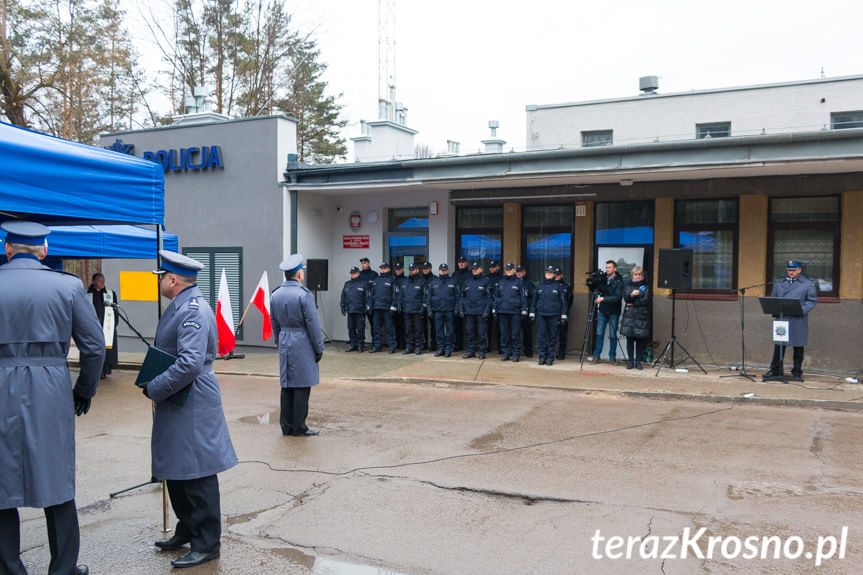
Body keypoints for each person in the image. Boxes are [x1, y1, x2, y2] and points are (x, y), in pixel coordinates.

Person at [0, 221, 104, 575]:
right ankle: (62, 569)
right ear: (44, 251)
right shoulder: (68, 286)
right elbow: (93, 348)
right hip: (50, 386)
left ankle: (10, 569)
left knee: (1, 481)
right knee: (56, 480)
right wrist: (84, 390)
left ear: (7, 249)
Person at [143, 250, 237, 569]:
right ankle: (188, 528)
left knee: (198, 472)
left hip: (192, 397)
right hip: (179, 397)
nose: (160, 283)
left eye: (161, 278)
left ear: (172, 280)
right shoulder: (182, 304)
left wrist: (155, 387)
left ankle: (207, 543)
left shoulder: (192, 309)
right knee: (178, 466)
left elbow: (189, 363)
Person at [270, 254, 325, 434]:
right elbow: (313, 325)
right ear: (299, 274)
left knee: (287, 386)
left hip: (285, 339)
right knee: (302, 385)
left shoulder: (276, 294)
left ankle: (286, 426)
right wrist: (319, 347)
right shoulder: (304, 295)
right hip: (302, 340)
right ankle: (299, 426)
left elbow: (274, 322)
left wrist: (279, 341)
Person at [763, 260, 818, 382]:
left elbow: (812, 301)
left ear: (799, 270)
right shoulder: (780, 282)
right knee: (779, 345)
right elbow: (774, 298)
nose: (791, 272)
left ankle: (797, 371)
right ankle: (775, 369)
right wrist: (775, 308)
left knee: (798, 345)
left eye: (793, 270)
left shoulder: (807, 284)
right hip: (783, 318)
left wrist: (800, 309)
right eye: (789, 270)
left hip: (797, 318)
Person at [531, 265, 567, 366]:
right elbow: (534, 301)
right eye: (547, 272)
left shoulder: (558, 286)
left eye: (550, 272)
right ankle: (542, 357)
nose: (548, 274)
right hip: (541, 315)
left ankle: (550, 358)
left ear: (554, 274)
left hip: (554, 315)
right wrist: (532, 313)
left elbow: (563, 302)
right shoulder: (539, 286)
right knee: (541, 337)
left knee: (552, 337)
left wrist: (563, 315)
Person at [590, 260, 623, 363]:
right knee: (599, 333)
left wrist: (603, 299)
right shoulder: (603, 278)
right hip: (603, 310)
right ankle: (596, 355)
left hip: (613, 311)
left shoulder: (619, 281)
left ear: (615, 269)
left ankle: (612, 357)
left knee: (613, 334)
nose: (607, 269)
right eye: (606, 267)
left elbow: (617, 297)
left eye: (609, 267)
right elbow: (596, 289)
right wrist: (592, 283)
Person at [493, 263, 528, 362]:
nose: (508, 271)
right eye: (507, 269)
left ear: (514, 270)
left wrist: (524, 310)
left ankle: (516, 354)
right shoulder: (501, 281)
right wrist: (495, 309)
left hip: (515, 312)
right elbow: (496, 297)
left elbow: (523, 297)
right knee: (504, 334)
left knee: (515, 334)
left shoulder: (519, 282)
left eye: (510, 269)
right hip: (503, 311)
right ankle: (506, 353)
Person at [458, 261, 492, 359]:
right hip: (469, 312)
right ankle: (471, 351)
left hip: (481, 312)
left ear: (481, 269)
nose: (475, 270)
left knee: (482, 333)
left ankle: (482, 351)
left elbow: (490, 297)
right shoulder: (467, 281)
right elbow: (462, 296)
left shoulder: (486, 280)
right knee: (470, 332)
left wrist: (487, 311)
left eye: (476, 269)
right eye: (473, 269)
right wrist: (461, 309)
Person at [87, 272, 118, 378]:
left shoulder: (110, 294)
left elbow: (115, 311)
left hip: (106, 327)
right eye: (100, 281)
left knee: (105, 350)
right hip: (92, 327)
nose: (103, 283)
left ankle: (104, 371)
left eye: (104, 281)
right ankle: (93, 371)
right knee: (93, 350)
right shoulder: (86, 294)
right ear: (94, 281)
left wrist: (114, 325)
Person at [619, 266, 650, 370]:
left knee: (640, 340)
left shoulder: (646, 286)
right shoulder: (628, 286)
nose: (637, 276)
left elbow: (646, 300)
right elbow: (626, 298)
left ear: (642, 275)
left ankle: (638, 362)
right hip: (629, 317)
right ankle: (631, 361)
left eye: (639, 275)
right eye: (635, 275)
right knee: (630, 340)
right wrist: (632, 294)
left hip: (641, 316)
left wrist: (632, 303)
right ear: (632, 275)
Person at [425, 263, 458, 357]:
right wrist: (429, 309)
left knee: (450, 331)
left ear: (447, 271)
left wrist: (457, 308)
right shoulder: (434, 282)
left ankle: (448, 349)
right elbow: (429, 298)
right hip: (437, 310)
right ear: (439, 271)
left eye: (445, 270)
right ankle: (441, 349)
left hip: (449, 310)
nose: (443, 272)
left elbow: (458, 296)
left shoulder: (453, 282)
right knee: (439, 331)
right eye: (441, 270)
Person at [367, 262, 397, 353]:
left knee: (389, 329)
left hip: (387, 309)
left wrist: (393, 306)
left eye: (384, 268)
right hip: (377, 308)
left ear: (388, 269)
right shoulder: (376, 280)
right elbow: (371, 295)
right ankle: (377, 346)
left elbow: (395, 295)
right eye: (381, 268)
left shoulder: (392, 280)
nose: (382, 270)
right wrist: (370, 306)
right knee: (376, 328)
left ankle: (392, 346)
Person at [399, 263, 426, 355]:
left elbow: (425, 296)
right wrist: (399, 305)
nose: (411, 271)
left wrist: (423, 307)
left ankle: (419, 347)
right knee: (408, 329)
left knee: (418, 330)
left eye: (413, 270)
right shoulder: (405, 281)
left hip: (417, 310)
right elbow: (401, 295)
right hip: (407, 310)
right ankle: (409, 347)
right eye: (410, 270)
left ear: (417, 270)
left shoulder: (422, 281)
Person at [340, 266, 367, 352]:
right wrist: (342, 307)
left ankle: (360, 345)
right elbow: (343, 296)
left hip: (360, 310)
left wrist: (367, 307)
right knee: (351, 328)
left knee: (360, 328)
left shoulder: (364, 283)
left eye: (354, 273)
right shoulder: (347, 284)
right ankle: (353, 344)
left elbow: (367, 297)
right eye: (352, 273)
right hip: (350, 310)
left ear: (358, 273)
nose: (353, 275)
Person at [452, 256, 471, 351]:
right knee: (457, 326)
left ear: (466, 263)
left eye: (463, 262)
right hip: (457, 303)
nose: (461, 263)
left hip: (468, 303)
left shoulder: (470, 274)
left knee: (470, 326)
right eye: (459, 262)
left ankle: (470, 346)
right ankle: (458, 345)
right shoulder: (454, 275)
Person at [554, 268, 574, 360]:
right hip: (552, 313)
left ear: (561, 275)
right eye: (555, 274)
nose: (556, 276)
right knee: (551, 334)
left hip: (562, 314)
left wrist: (565, 313)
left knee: (562, 335)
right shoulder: (550, 285)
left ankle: (561, 354)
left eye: (558, 274)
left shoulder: (566, 287)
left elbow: (569, 301)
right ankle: (552, 353)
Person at [517, 265, 536, 358]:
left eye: (520, 271)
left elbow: (533, 298)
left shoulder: (529, 284)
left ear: (524, 272)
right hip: (516, 311)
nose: (519, 273)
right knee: (515, 332)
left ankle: (528, 350)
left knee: (527, 332)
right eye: (517, 271)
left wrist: (528, 307)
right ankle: (516, 350)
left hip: (526, 311)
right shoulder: (513, 282)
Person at [358, 257, 378, 342]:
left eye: (365, 263)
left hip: (371, 303)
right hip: (361, 302)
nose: (363, 265)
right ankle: (360, 343)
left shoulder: (374, 274)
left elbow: (377, 289)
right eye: (362, 263)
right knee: (360, 324)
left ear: (369, 263)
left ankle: (375, 343)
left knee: (374, 324)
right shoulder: (359, 274)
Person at [486, 260, 503, 352]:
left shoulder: (502, 278)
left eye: (493, 267)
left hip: (499, 305)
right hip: (488, 305)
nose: (492, 269)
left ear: (497, 267)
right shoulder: (486, 278)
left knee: (500, 328)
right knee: (487, 328)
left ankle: (500, 347)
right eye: (490, 267)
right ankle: (487, 347)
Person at [421, 262, 436, 350]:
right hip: (422, 306)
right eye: (423, 268)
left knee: (433, 326)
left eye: (426, 268)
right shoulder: (420, 279)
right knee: (423, 326)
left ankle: (433, 344)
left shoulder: (435, 279)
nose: (425, 270)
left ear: (430, 268)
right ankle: (424, 343)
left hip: (432, 306)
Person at [392, 262, 406, 350]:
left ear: (402, 269)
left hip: (403, 307)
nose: (397, 271)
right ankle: (397, 343)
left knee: (404, 327)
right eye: (396, 269)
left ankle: (404, 344)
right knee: (396, 326)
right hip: (394, 307)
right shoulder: (392, 280)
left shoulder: (405, 280)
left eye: (399, 269)